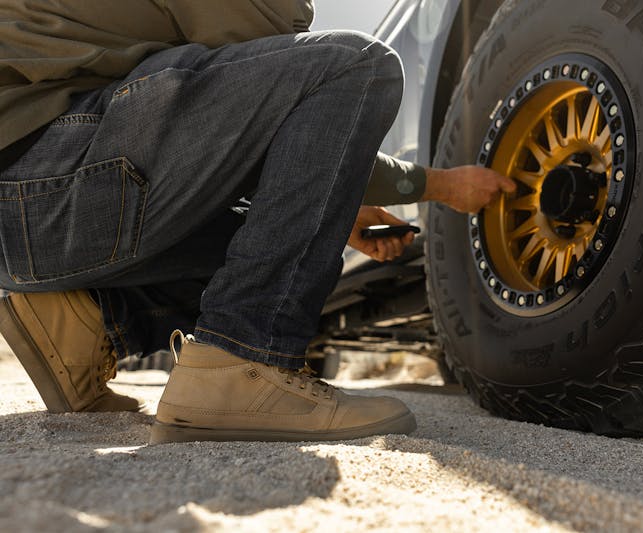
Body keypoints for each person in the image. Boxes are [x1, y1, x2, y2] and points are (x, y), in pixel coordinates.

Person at [0, 0, 515, 443]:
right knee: (356, 64)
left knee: (266, 237)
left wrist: (326, 196)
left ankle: (78, 316)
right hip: (45, 180)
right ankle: (243, 361)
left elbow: (230, 123)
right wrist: (442, 186)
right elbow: (297, 102)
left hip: (29, 192)